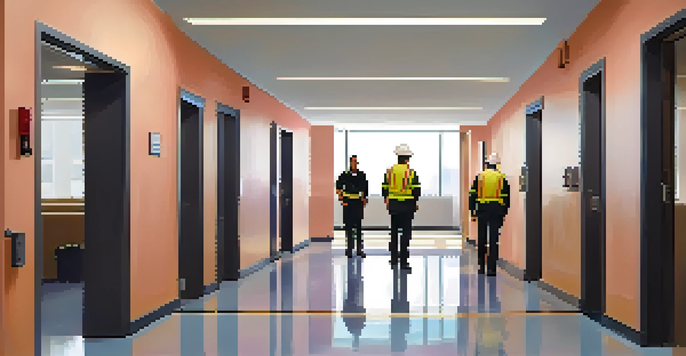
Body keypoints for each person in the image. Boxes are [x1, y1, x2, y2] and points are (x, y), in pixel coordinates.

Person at [469, 152, 511, 276]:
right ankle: (492, 269)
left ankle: (481, 267)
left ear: (487, 164)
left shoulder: (480, 176)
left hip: (482, 209)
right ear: (497, 165)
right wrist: (504, 212)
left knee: (482, 238)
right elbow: (506, 197)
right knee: (494, 240)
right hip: (496, 210)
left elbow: (472, 195)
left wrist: (473, 211)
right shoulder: (502, 177)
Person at [382, 144, 421, 270]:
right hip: (407, 205)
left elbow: (384, 188)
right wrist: (415, 203)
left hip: (394, 205)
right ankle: (404, 261)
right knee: (405, 233)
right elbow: (416, 190)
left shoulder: (390, 171)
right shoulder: (411, 172)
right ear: (407, 158)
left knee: (394, 232)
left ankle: (393, 260)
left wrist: (387, 200)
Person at [336, 155, 369, 258]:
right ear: (350, 163)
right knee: (349, 228)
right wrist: (341, 199)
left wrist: (364, 199)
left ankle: (359, 249)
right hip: (348, 204)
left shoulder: (361, 175)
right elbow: (338, 188)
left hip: (358, 203)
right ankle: (349, 249)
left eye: (356, 162)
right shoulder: (344, 175)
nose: (355, 163)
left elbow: (365, 188)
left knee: (358, 227)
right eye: (353, 161)